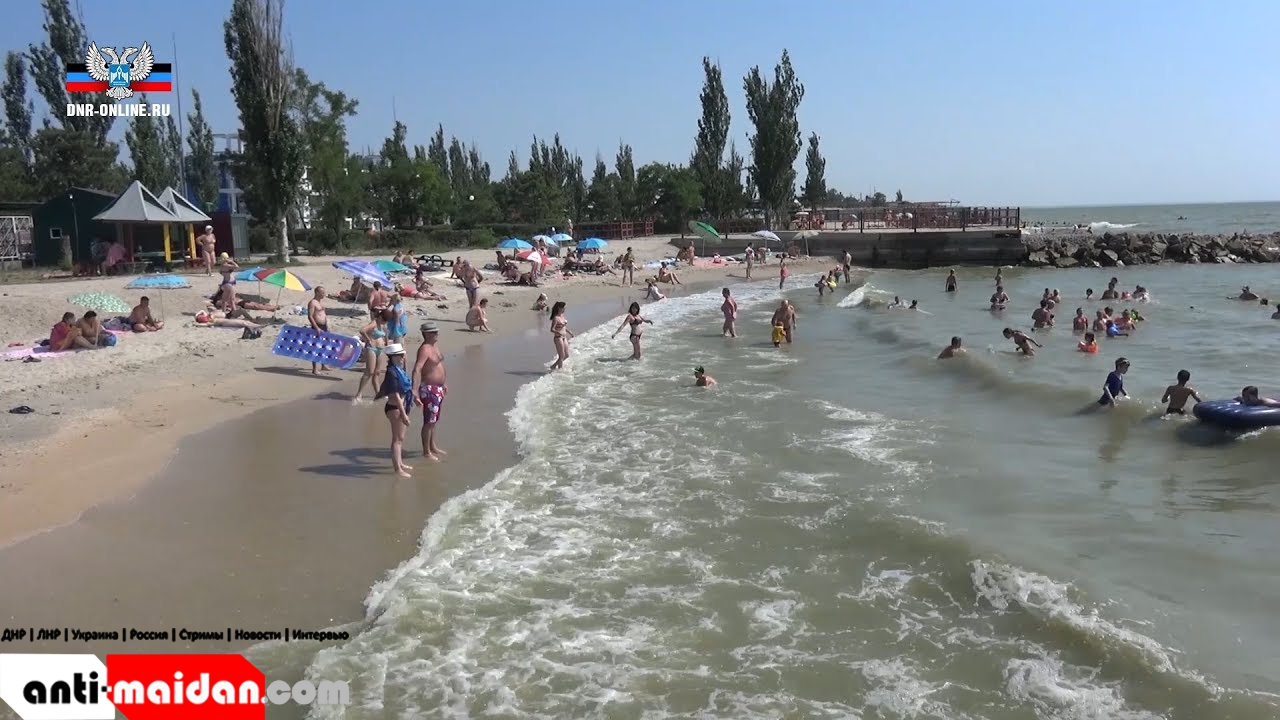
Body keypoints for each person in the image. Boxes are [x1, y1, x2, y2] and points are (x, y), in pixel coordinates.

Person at [375, 343, 414, 478]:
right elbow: (396, 395)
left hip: (401, 407)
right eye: (401, 355)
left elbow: (406, 389)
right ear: (393, 357)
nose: (403, 357)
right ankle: (398, 469)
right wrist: (404, 414)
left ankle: (400, 463)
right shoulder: (392, 372)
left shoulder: (399, 369)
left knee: (400, 438)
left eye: (403, 355)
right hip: (395, 408)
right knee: (397, 439)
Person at [411, 322, 448, 461]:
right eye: (433, 332)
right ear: (426, 334)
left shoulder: (434, 346)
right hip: (429, 389)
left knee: (434, 420)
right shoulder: (425, 349)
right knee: (429, 421)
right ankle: (426, 452)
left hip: (438, 388)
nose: (437, 334)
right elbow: (417, 369)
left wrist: (443, 383)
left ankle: (432, 446)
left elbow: (437, 366)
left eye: (437, 331)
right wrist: (414, 390)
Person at [353, 309, 391, 403]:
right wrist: (368, 340)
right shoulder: (374, 323)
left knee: (377, 372)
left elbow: (385, 333)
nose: (384, 322)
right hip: (372, 349)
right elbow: (362, 330)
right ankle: (359, 394)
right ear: (380, 317)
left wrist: (386, 342)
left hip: (381, 349)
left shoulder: (383, 324)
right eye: (384, 320)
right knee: (369, 372)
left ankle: (378, 393)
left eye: (386, 321)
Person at [307, 287, 330, 375]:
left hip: (324, 326)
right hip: (317, 326)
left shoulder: (320, 303)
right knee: (315, 347)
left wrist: (327, 325)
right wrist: (316, 327)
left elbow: (323, 315)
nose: (324, 294)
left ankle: (323, 365)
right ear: (317, 292)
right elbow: (310, 316)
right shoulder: (312, 302)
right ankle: (314, 369)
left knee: (324, 346)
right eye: (322, 293)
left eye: (324, 292)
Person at [549, 301, 573, 371]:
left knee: (566, 355)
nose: (564, 309)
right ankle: (560, 371)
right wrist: (558, 333)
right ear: (559, 308)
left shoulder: (562, 316)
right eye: (563, 308)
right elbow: (552, 329)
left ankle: (553, 366)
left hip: (564, 337)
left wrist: (569, 332)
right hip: (558, 338)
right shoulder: (555, 318)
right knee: (561, 356)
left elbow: (563, 327)